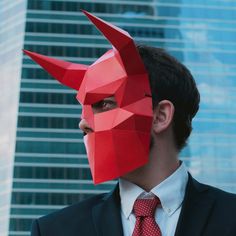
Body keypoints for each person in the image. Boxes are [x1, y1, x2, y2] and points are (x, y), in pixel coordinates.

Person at [26, 11, 236, 236]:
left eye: (104, 104)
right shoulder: (54, 230)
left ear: (160, 116)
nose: (83, 123)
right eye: (85, 108)